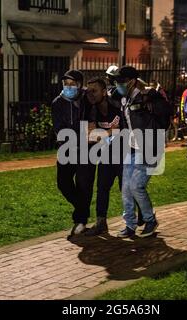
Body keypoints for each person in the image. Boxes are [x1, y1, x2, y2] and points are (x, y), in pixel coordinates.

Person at [114, 66, 167, 238]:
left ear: (132, 81)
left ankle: (150, 220)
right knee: (126, 189)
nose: (118, 84)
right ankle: (130, 225)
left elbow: (165, 117)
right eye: (117, 81)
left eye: (121, 81)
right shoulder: (125, 99)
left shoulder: (148, 96)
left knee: (136, 186)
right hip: (131, 148)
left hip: (149, 147)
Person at [51, 70, 96, 237]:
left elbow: (92, 124)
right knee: (63, 183)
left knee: (84, 185)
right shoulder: (57, 103)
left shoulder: (87, 100)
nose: (68, 87)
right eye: (66, 84)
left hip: (87, 150)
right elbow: (59, 129)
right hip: (67, 148)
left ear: (79, 85)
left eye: (72, 84)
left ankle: (81, 220)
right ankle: (82, 210)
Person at [84, 77, 122, 236]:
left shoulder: (118, 107)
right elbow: (90, 136)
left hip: (123, 152)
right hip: (106, 155)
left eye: (94, 91)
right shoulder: (90, 110)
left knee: (128, 187)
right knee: (102, 188)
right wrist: (110, 132)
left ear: (104, 92)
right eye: (88, 91)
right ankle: (101, 222)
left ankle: (144, 217)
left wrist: (104, 134)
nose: (90, 94)